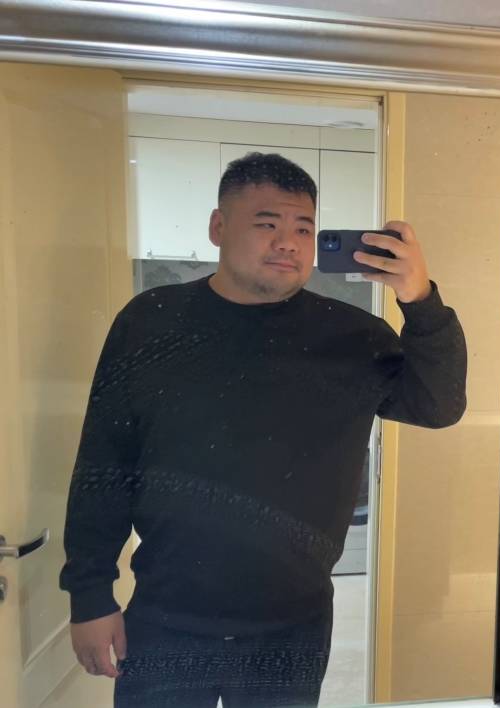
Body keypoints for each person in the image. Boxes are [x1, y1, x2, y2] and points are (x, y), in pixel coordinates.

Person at [60, 152, 467, 708]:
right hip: (165, 618)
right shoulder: (150, 321)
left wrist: (421, 302)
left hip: (292, 628)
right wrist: (89, 595)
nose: (288, 243)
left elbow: (439, 405)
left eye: (304, 228)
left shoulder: (353, 338)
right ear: (218, 227)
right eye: (266, 223)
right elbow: (105, 461)